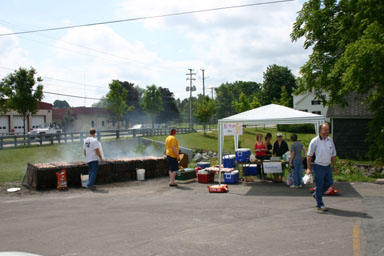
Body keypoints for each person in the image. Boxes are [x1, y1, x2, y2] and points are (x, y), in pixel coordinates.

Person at [307, 123, 338, 211]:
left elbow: (333, 154)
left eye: (328, 130)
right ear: (320, 131)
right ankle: (320, 204)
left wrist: (335, 166)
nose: (327, 132)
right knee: (320, 185)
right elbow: (309, 156)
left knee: (329, 182)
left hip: (327, 166)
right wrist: (309, 168)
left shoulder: (330, 140)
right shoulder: (314, 141)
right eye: (325, 130)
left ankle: (317, 194)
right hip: (317, 166)